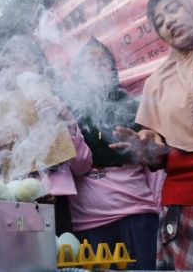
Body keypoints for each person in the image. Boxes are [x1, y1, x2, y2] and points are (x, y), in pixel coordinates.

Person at [112, 0, 193, 270]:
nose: (168, 22)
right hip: (188, 207)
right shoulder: (155, 83)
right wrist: (146, 147)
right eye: (159, 22)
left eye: (173, 10)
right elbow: (155, 147)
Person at [0, 35, 92, 235]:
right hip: (12, 201)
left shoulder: (57, 102)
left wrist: (65, 118)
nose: (22, 67)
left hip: (54, 199)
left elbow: (83, 165)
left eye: (27, 61)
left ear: (39, 66)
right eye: (15, 62)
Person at [64, 37, 161, 270]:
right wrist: (68, 126)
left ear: (113, 70)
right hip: (90, 218)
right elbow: (78, 165)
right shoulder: (70, 111)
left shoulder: (134, 107)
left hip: (138, 212)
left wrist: (159, 208)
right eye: (90, 62)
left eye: (103, 62)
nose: (98, 67)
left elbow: (154, 169)